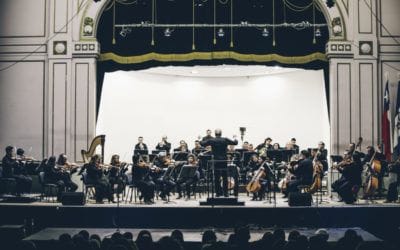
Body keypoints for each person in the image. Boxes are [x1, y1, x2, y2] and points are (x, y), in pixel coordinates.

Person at [200, 129, 238, 197]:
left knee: (217, 177)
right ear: (221, 133)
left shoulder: (212, 140)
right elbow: (235, 143)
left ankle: (218, 193)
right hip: (224, 161)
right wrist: (235, 137)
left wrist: (199, 139)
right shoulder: (225, 139)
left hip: (216, 161)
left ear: (215, 134)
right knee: (225, 177)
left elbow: (202, 144)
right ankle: (226, 193)